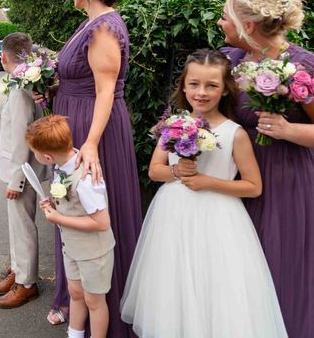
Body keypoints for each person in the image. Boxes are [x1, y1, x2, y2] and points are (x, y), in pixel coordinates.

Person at [120, 48, 287, 337]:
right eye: (194, 84)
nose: (202, 92)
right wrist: (176, 172)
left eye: (212, 85)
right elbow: (154, 170)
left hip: (219, 220)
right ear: (184, 86)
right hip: (172, 216)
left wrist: (209, 181)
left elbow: (253, 186)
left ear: (224, 90)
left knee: (216, 285)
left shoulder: (235, 133)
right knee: (174, 284)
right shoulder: (172, 125)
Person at [44, 0, 142, 336]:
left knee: (93, 209)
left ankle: (105, 313)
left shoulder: (103, 28)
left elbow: (105, 90)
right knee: (72, 207)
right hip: (78, 119)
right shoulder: (92, 23)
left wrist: (90, 144)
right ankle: (77, 301)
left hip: (92, 127)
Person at [218, 0, 314, 337]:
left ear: (249, 25)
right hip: (239, 178)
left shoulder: (301, 65)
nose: (220, 23)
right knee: (240, 271)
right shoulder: (232, 61)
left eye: (225, 17)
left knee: (280, 267)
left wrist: (289, 131)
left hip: (286, 181)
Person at [28, 114, 115, 338]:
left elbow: (102, 222)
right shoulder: (63, 166)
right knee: (75, 292)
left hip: (94, 252)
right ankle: (74, 334)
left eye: (36, 154)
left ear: (46, 156)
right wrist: (54, 206)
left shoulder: (85, 177)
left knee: (94, 301)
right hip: (73, 248)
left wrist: (59, 218)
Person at [0, 32, 50, 308]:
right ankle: (17, 271)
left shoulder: (22, 89)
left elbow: (21, 136)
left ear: (3, 57)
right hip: (21, 169)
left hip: (23, 172)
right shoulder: (23, 83)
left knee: (23, 226)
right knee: (16, 225)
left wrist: (16, 180)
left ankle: (27, 283)